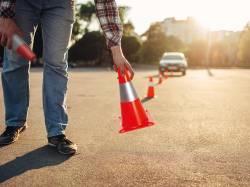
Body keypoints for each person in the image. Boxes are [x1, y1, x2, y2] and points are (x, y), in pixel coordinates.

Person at [0, 0, 134, 155]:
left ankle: (56, 131)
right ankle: (14, 123)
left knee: (57, 63)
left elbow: (105, 2)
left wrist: (116, 50)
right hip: (21, 3)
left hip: (60, 4)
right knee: (15, 60)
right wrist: (5, 16)